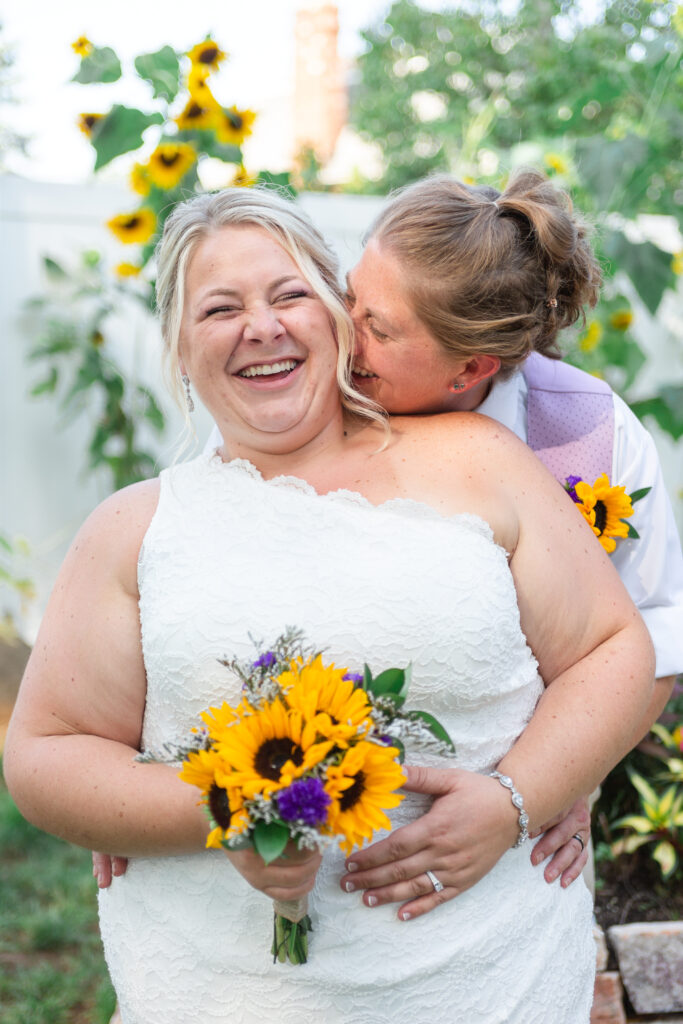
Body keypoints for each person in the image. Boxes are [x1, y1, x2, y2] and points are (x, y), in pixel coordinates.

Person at [4, 184, 656, 1024]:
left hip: (488, 985)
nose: (262, 326)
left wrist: (519, 796)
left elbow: (614, 648)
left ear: (336, 313)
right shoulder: (133, 527)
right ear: (177, 344)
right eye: (218, 308)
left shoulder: (484, 459)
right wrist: (224, 810)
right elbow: (49, 754)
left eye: (287, 295)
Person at [198, 172, 683, 893]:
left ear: (471, 369)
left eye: (378, 327)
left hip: (508, 833)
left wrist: (555, 786)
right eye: (350, 294)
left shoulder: (586, 436)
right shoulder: (306, 397)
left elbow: (654, 633)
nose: (342, 329)